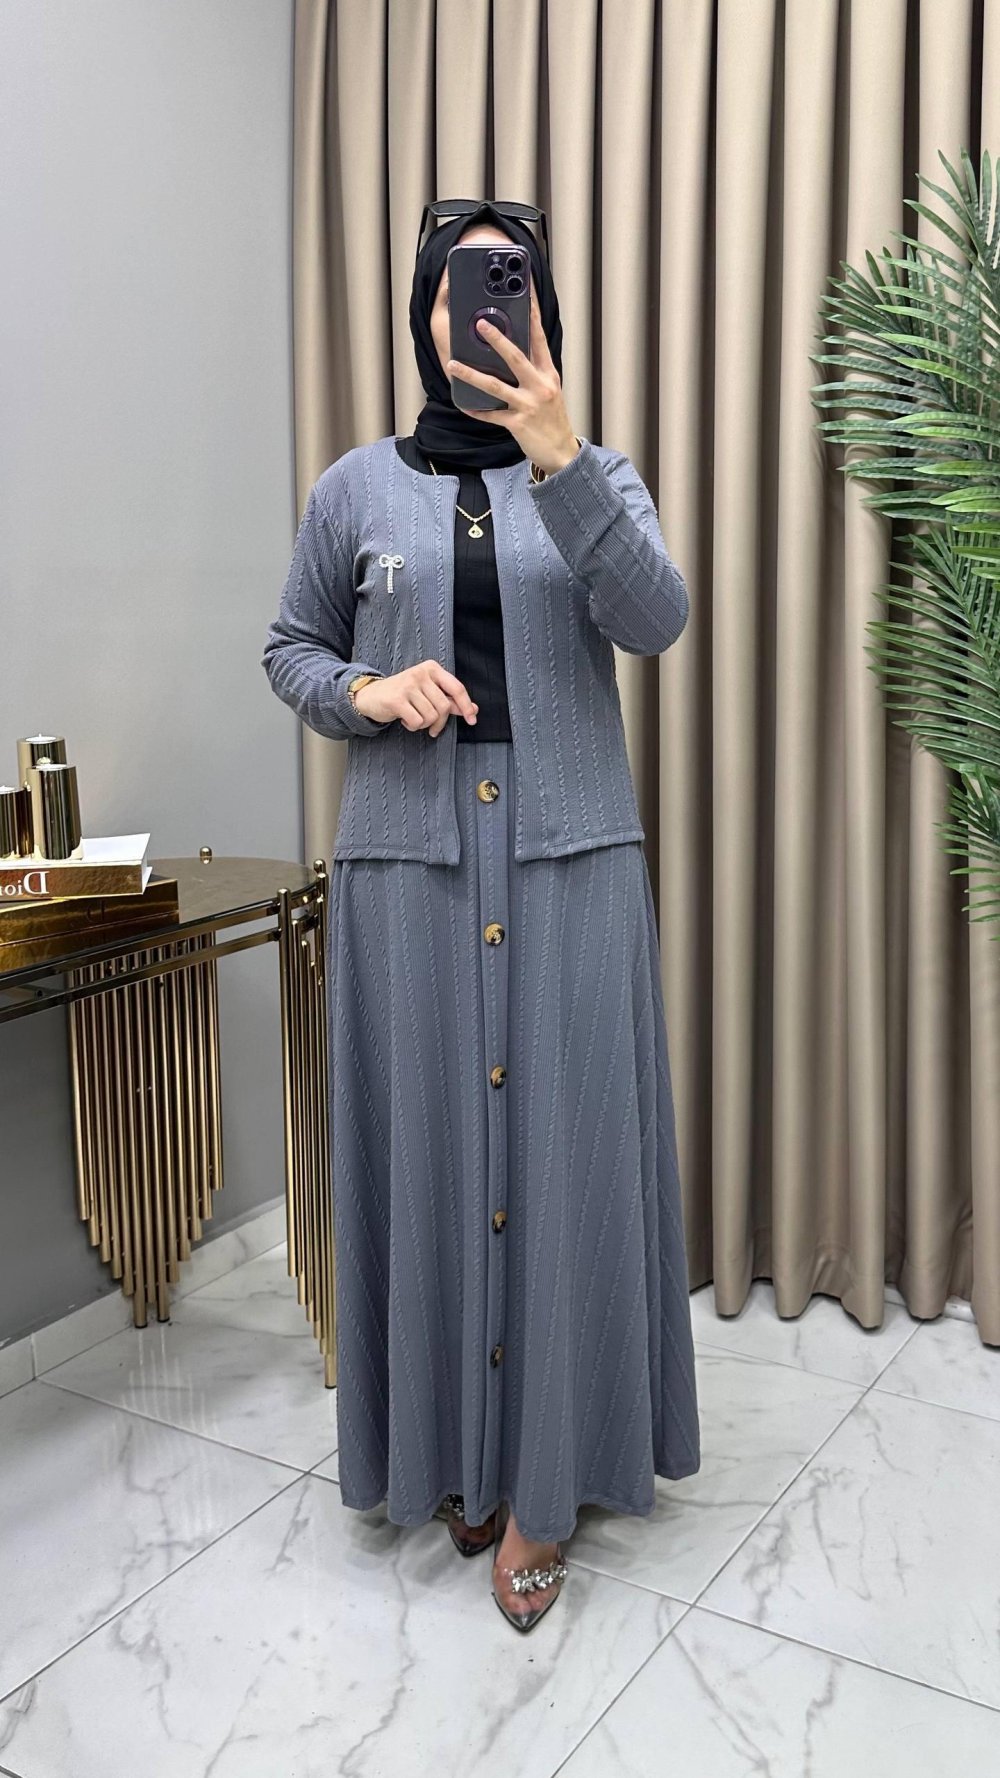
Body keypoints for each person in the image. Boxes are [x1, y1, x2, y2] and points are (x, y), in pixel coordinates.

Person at [261, 198, 701, 1633]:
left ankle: (543, 1493)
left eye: (511, 286)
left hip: (572, 854)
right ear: (424, 315)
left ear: (543, 313)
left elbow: (655, 619)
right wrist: (366, 691)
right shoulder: (352, 490)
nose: (485, 312)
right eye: (462, 288)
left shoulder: (598, 474)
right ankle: (453, 1448)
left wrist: (563, 461)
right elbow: (292, 648)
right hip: (409, 861)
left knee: (564, 1166)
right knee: (435, 1157)